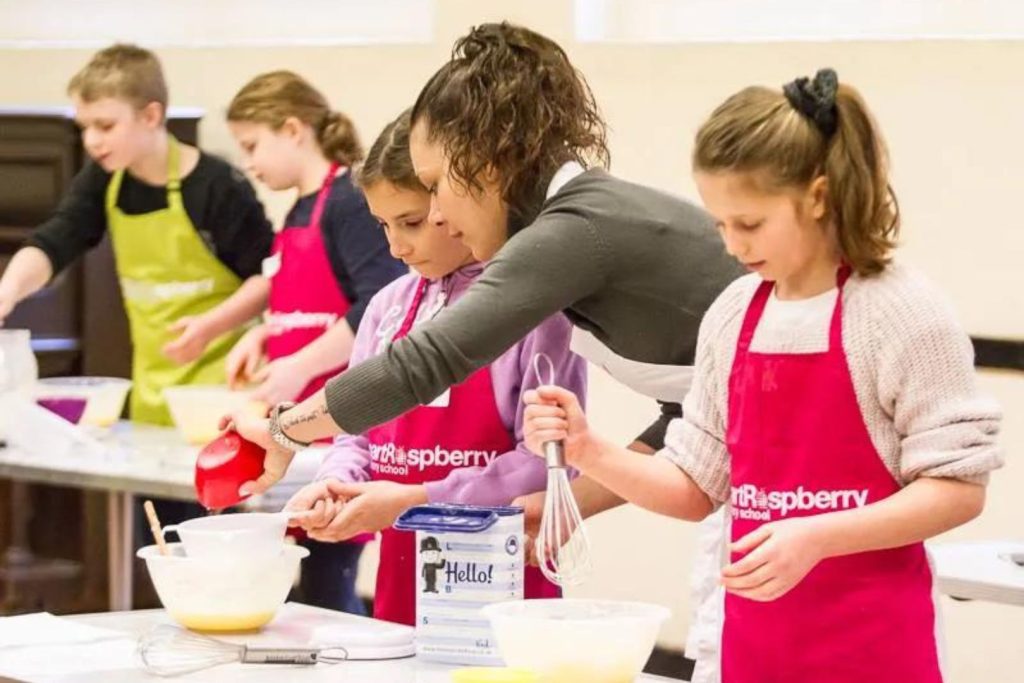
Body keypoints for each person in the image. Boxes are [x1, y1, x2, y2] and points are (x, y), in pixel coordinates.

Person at [521, 69, 1003, 683]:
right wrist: (590, 449)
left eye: (748, 224)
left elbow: (959, 488)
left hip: (871, 651)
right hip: (754, 650)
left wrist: (816, 537)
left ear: (820, 198)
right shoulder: (734, 313)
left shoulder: (900, 311)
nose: (730, 244)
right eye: (720, 223)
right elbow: (696, 489)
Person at [284, 111, 580, 625]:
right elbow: (356, 435)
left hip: (501, 581)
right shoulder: (385, 307)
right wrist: (337, 483)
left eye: (413, 223)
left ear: (458, 203)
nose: (396, 247)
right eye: (383, 226)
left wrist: (416, 501)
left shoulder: (534, 312)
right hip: (400, 578)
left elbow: (546, 464)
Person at [0, 44, 273, 426]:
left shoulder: (218, 186)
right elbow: (55, 240)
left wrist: (210, 325)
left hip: (225, 391)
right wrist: (8, 291)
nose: (91, 141)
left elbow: (269, 277)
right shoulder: (105, 180)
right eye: (85, 127)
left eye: (105, 126)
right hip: (153, 391)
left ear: (151, 115)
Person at [223, 71, 405, 614]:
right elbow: (308, 300)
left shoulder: (349, 200)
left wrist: (300, 365)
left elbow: (376, 303)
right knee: (297, 583)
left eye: (253, 146)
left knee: (327, 584)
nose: (249, 164)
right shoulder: (299, 209)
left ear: (293, 129)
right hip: (295, 433)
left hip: (336, 434)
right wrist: (265, 333)